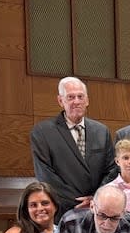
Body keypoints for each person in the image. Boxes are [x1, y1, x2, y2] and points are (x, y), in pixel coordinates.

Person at [30, 77, 115, 216]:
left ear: (87, 100)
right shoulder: (42, 132)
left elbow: (111, 169)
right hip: (62, 210)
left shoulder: (101, 131)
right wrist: (76, 201)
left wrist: (96, 197)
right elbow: (45, 174)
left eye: (80, 96)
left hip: (98, 210)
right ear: (60, 101)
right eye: (70, 97)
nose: (76, 101)